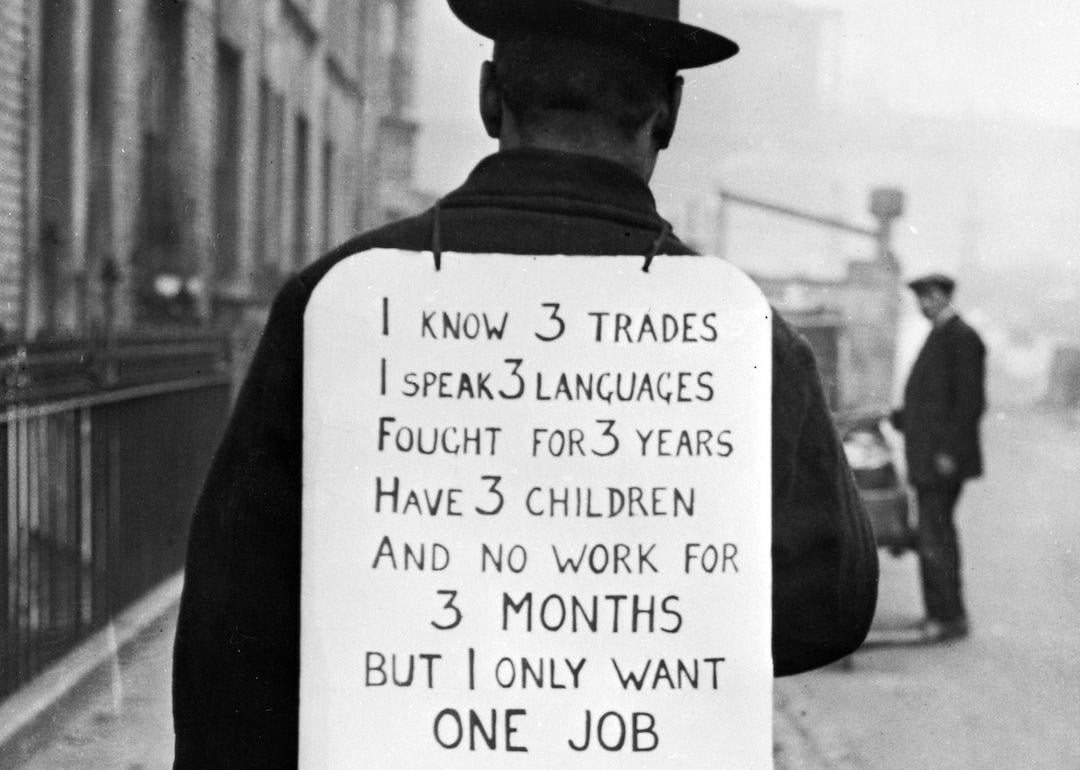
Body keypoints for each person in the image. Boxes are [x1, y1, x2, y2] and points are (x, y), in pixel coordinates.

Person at [172, 1, 879, 765]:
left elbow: (232, 621)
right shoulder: (742, 334)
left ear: (488, 97)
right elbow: (829, 605)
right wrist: (639, 631)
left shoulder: (336, 302)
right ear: (669, 112)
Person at [892, 273, 986, 643]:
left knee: (935, 536)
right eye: (920, 298)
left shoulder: (962, 338)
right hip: (929, 455)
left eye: (929, 297)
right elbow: (931, 398)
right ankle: (943, 613)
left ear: (946, 296)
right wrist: (899, 417)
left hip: (940, 459)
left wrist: (949, 451)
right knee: (935, 534)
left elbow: (969, 404)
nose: (924, 304)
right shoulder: (941, 334)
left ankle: (946, 618)